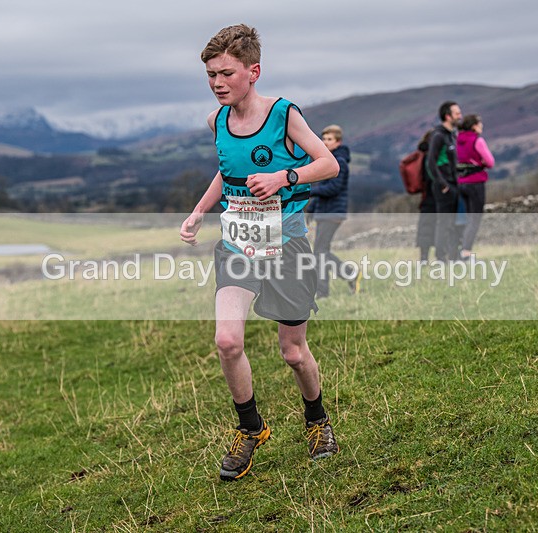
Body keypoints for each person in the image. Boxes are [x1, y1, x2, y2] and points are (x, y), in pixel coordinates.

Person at [180, 24, 340, 482]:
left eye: (226, 73)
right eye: (210, 75)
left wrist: (284, 178)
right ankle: (251, 429)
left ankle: (317, 421)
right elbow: (225, 172)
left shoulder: (284, 114)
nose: (217, 84)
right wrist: (197, 213)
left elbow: (328, 163)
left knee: (292, 351)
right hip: (237, 245)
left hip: (286, 245)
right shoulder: (217, 122)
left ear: (253, 71)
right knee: (227, 342)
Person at [306, 124, 361, 298]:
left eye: (329, 139)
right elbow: (322, 188)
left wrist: (308, 191)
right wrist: (312, 210)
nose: (325, 142)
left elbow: (332, 189)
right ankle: (349, 274)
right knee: (322, 251)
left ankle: (323, 291)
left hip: (333, 212)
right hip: (324, 211)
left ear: (338, 141)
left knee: (320, 253)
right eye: (323, 138)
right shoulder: (327, 160)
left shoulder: (340, 162)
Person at [426, 101, 462, 261]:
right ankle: (441, 257)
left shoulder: (452, 135)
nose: (460, 116)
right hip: (443, 187)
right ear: (448, 116)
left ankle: (453, 256)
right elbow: (431, 163)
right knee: (444, 222)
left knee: (454, 223)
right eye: (457, 113)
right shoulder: (438, 136)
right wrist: (443, 184)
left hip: (454, 184)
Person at [456, 114, 495, 259]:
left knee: (467, 217)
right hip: (476, 182)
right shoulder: (477, 140)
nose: (482, 126)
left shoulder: (458, 140)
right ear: (474, 126)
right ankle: (466, 251)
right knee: (475, 218)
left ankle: (460, 247)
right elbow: (490, 162)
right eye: (480, 123)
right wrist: (481, 163)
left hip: (461, 182)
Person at [414, 129, 435, 262]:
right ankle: (438, 257)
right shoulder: (431, 156)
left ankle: (423, 258)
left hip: (426, 197)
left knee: (425, 228)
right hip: (434, 196)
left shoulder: (423, 155)